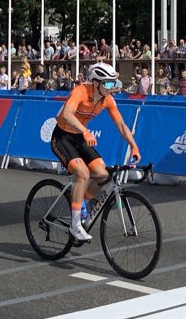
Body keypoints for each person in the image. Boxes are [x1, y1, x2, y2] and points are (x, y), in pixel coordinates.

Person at [50, 63, 141, 242]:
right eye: (107, 84)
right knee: (83, 174)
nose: (111, 88)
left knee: (102, 174)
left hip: (79, 138)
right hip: (62, 137)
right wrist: (84, 131)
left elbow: (121, 126)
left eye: (112, 84)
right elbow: (67, 114)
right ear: (96, 83)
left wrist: (134, 145)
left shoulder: (107, 99)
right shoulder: (81, 91)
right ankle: (75, 225)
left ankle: (81, 199)